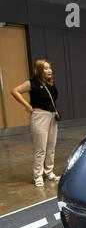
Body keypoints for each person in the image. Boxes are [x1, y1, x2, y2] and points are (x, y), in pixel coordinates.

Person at [11, 59, 60, 187]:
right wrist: (26, 105)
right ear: (38, 70)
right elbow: (15, 91)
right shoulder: (31, 83)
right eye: (45, 68)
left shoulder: (51, 83)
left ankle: (49, 172)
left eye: (50, 67)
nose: (49, 70)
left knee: (51, 147)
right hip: (39, 116)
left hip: (52, 116)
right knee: (40, 149)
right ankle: (38, 176)